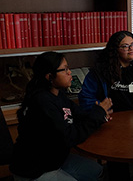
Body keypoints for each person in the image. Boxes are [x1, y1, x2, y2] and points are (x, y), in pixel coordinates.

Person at [10, 51, 112, 181]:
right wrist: (97, 115)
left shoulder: (58, 95)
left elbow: (79, 114)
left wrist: (100, 115)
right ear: (49, 76)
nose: (70, 73)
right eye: (64, 70)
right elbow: (69, 137)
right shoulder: (42, 102)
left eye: (68, 68)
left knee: (97, 171)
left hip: (55, 159)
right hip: (35, 169)